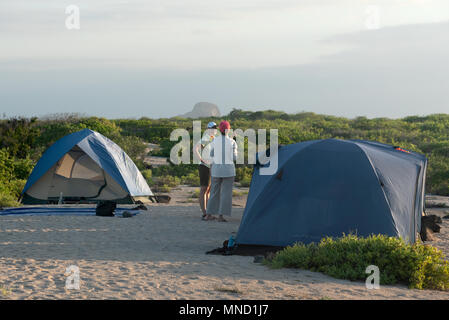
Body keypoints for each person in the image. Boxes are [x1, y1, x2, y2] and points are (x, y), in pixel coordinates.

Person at [205, 120, 238, 222]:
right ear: (228, 130)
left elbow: (211, 155)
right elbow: (234, 157)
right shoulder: (232, 142)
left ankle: (209, 214)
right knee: (226, 193)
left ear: (220, 129)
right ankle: (221, 216)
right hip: (228, 171)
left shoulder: (214, 141)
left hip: (216, 170)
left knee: (214, 192)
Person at [194, 121, 217, 220]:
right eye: (212, 128)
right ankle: (204, 213)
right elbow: (195, 149)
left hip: (211, 166)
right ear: (208, 129)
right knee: (204, 189)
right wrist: (201, 159)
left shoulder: (214, 139)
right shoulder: (206, 138)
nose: (214, 129)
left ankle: (208, 212)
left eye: (215, 128)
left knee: (208, 190)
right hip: (204, 166)